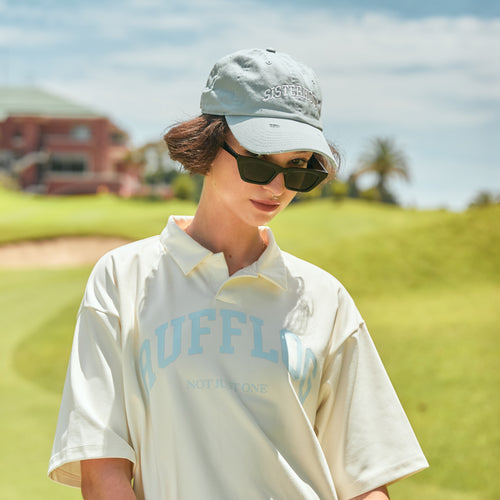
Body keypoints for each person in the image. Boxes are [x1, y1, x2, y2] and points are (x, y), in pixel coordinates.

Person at [48, 48, 428, 500]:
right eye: (259, 161)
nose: (276, 187)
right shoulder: (123, 277)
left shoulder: (326, 298)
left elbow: (364, 482)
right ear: (209, 143)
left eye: (299, 168)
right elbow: (103, 469)